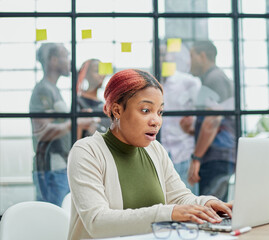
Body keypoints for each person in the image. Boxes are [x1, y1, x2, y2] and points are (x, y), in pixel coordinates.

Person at [67, 69, 232, 240]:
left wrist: (207, 205)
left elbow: (179, 197)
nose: (156, 121)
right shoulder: (87, 152)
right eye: (146, 110)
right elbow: (97, 222)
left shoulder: (155, 150)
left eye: (160, 112)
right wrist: (169, 213)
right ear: (117, 110)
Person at [29, 43, 95, 206]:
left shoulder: (53, 90)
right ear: (53, 60)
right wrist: (75, 122)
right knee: (52, 219)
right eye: (66, 56)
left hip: (59, 167)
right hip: (51, 168)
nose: (69, 61)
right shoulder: (43, 90)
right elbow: (42, 132)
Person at [187, 40, 236, 202]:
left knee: (211, 209)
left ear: (202, 56)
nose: (189, 61)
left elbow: (212, 121)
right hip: (216, 155)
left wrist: (196, 158)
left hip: (216, 156)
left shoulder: (215, 79)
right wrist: (192, 128)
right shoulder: (212, 79)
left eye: (191, 56)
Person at [160, 42, 201, 195]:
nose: (162, 58)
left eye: (165, 54)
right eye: (159, 54)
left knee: (189, 203)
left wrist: (193, 125)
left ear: (173, 57)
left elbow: (204, 114)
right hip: (161, 153)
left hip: (184, 151)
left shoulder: (189, 82)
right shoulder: (150, 83)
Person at [76, 59, 110, 138]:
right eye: (97, 71)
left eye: (102, 71)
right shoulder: (79, 102)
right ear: (86, 75)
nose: (101, 75)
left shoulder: (104, 104)